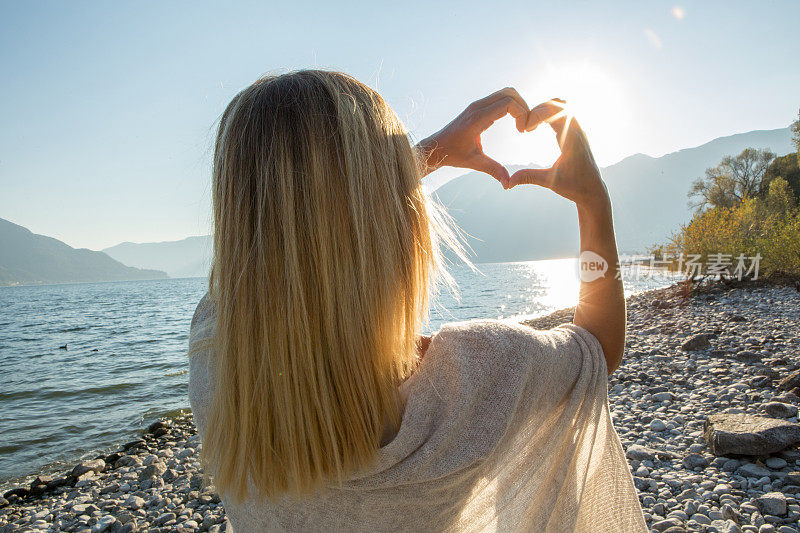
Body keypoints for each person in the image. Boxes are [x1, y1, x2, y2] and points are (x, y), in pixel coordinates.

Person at [188, 70, 646, 532]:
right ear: (399, 223)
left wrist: (422, 157)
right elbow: (596, 347)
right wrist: (593, 201)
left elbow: (278, 247)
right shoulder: (472, 378)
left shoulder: (217, 364)